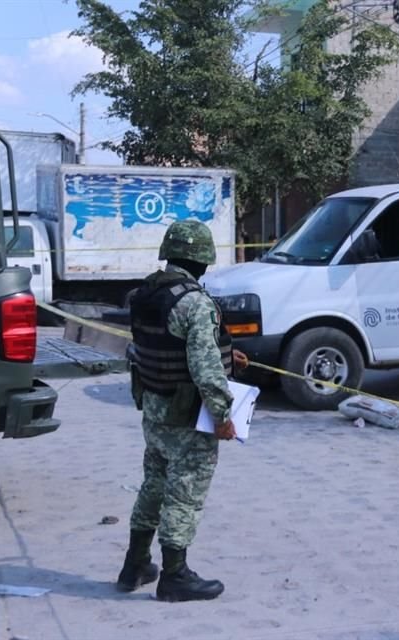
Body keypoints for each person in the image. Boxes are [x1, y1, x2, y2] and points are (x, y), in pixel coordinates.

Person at [118, 219, 248, 602]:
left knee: (153, 485)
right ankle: (175, 575)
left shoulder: (146, 294)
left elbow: (158, 348)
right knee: (185, 492)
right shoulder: (195, 302)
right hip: (188, 415)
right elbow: (206, 371)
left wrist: (229, 355)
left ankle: (135, 564)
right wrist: (223, 416)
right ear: (203, 260)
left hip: (155, 408)